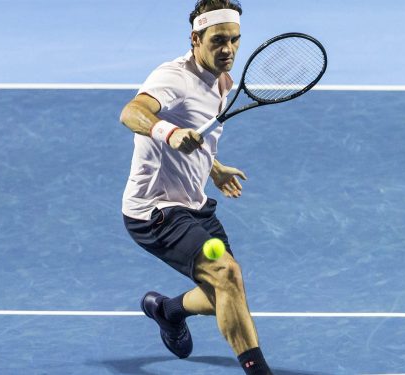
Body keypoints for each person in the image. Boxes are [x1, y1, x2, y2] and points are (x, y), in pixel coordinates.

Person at [119, 1, 272, 374]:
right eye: (218, 40)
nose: (228, 50)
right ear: (195, 38)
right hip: (154, 211)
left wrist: (213, 167)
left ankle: (168, 311)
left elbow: (197, 133)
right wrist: (168, 133)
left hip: (193, 203)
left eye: (235, 40)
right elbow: (132, 111)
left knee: (224, 290)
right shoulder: (174, 78)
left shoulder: (221, 80)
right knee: (227, 275)